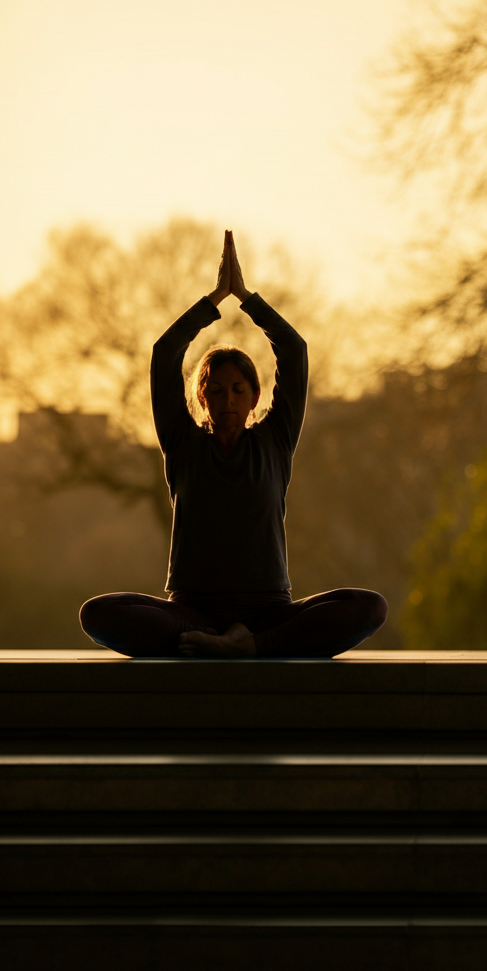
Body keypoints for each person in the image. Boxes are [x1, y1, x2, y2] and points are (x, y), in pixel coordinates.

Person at [79, 230, 387, 658]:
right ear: (201, 395)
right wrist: (213, 300)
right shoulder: (182, 443)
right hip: (194, 611)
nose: (227, 400)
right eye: (217, 389)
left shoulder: (275, 441)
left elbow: (293, 351)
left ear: (254, 397)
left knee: (369, 607)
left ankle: (247, 645)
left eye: (238, 389)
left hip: (267, 610)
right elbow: (165, 352)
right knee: (98, 614)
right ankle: (223, 643)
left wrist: (244, 297)